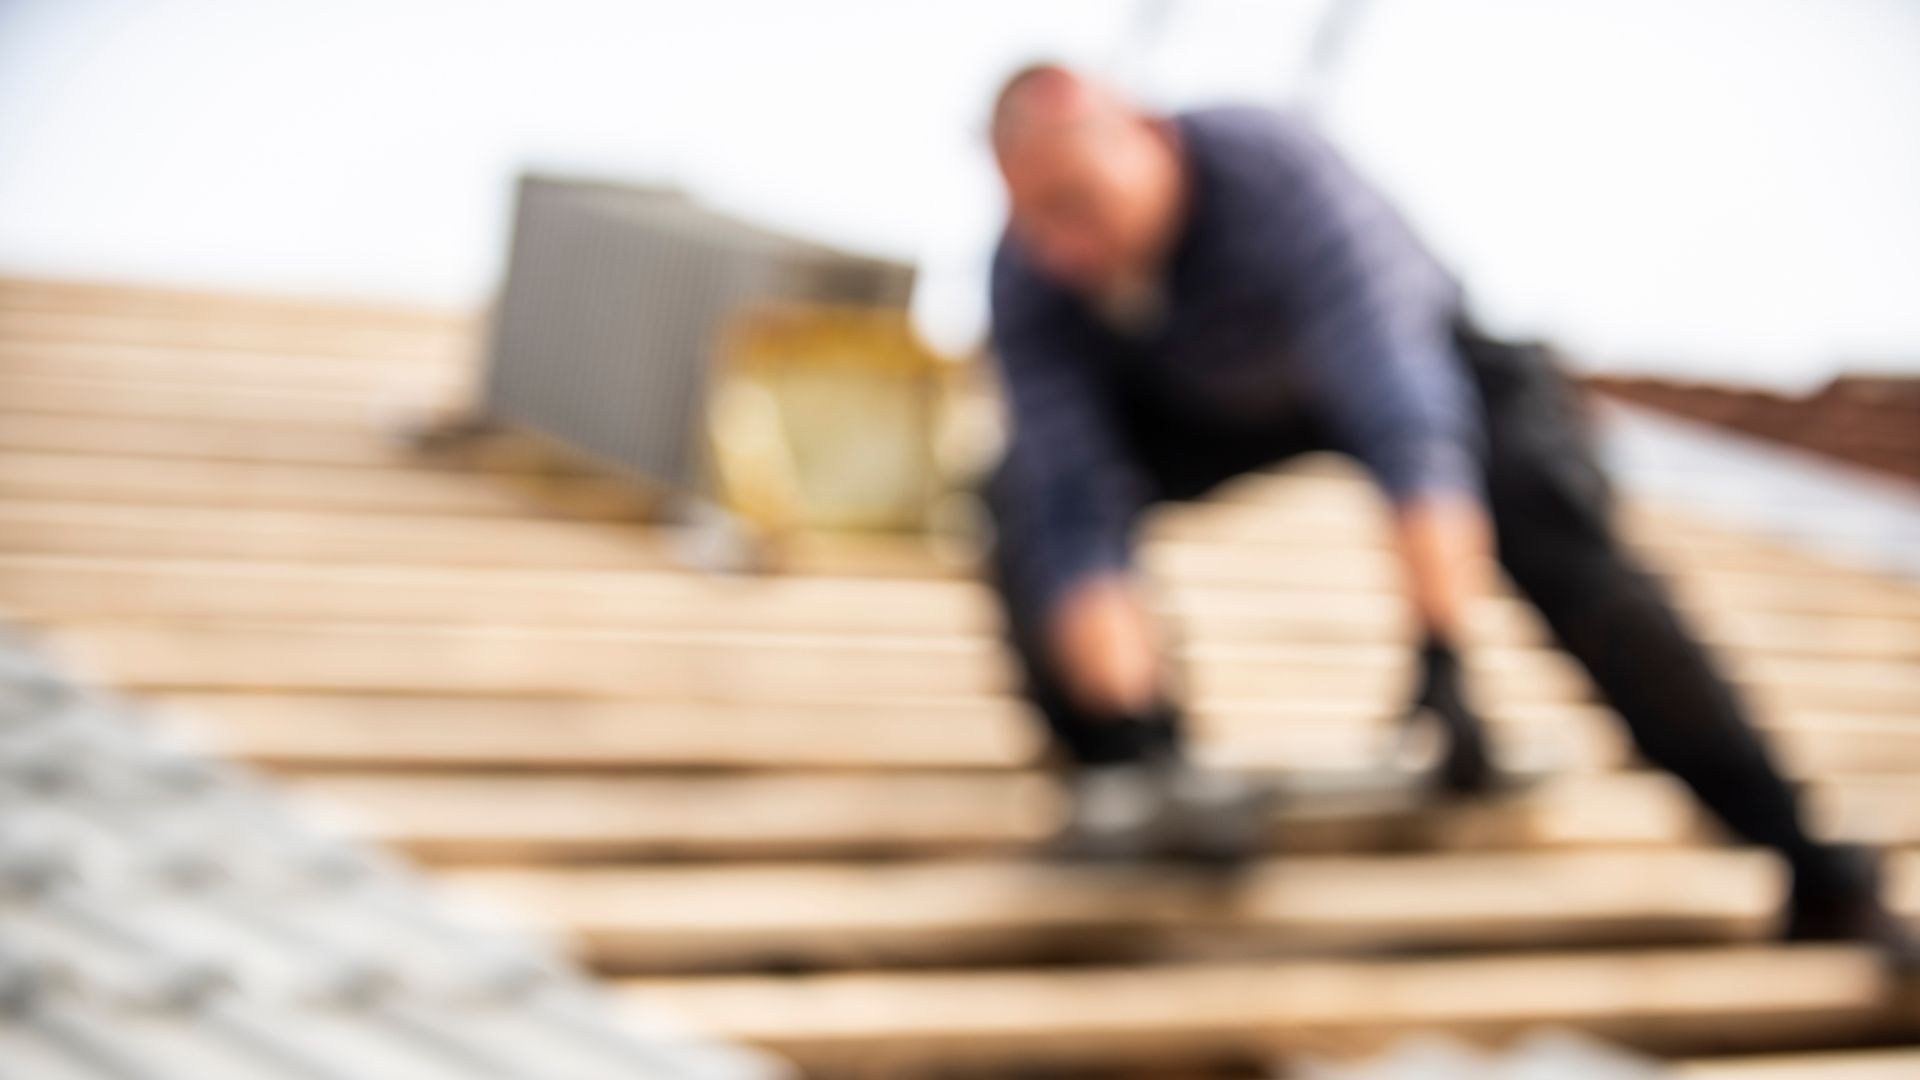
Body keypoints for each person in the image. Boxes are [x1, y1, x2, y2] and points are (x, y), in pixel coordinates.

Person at [978, 62, 1917, 967]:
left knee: (1563, 534)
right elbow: (1073, 499)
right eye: (1037, 222)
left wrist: (1442, 650)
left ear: (1147, 135)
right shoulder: (1033, 278)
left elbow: (1404, 412)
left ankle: (1815, 870)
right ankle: (1133, 773)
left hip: (1431, 366)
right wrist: (1130, 718)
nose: (1065, 247)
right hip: (1205, 414)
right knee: (1015, 496)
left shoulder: (1273, 174)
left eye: (1080, 204)